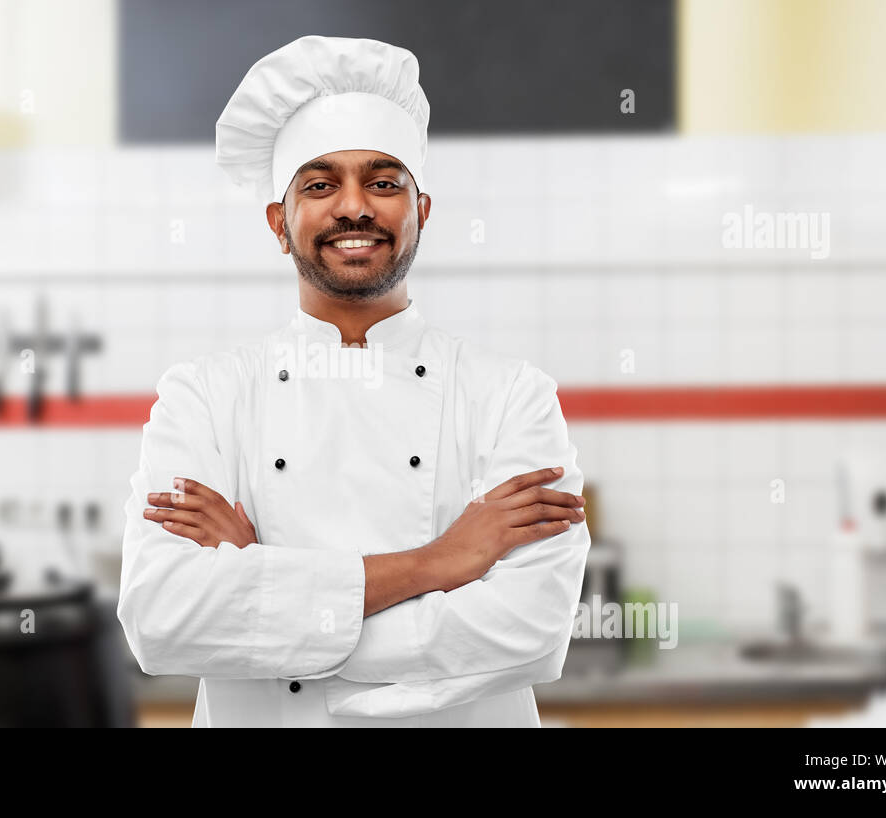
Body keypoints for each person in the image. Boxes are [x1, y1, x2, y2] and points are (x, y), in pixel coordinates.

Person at [116, 35, 590, 727]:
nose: (353, 207)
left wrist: (267, 587)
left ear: (420, 211)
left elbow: (532, 631)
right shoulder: (205, 397)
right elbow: (161, 620)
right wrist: (438, 562)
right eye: (319, 184)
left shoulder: (513, 396)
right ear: (280, 224)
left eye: (383, 181)